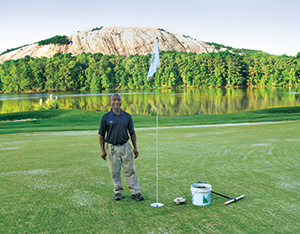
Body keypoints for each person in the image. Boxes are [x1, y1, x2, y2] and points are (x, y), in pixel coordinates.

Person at [98, 93, 144, 201]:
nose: (116, 102)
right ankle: (118, 191)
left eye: (118, 100)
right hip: (112, 148)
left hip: (125, 147)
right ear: (111, 102)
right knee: (115, 172)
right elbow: (101, 135)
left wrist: (135, 147)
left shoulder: (127, 116)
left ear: (121, 102)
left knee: (130, 170)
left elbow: (132, 132)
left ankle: (135, 192)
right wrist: (102, 150)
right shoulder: (106, 117)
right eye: (114, 100)